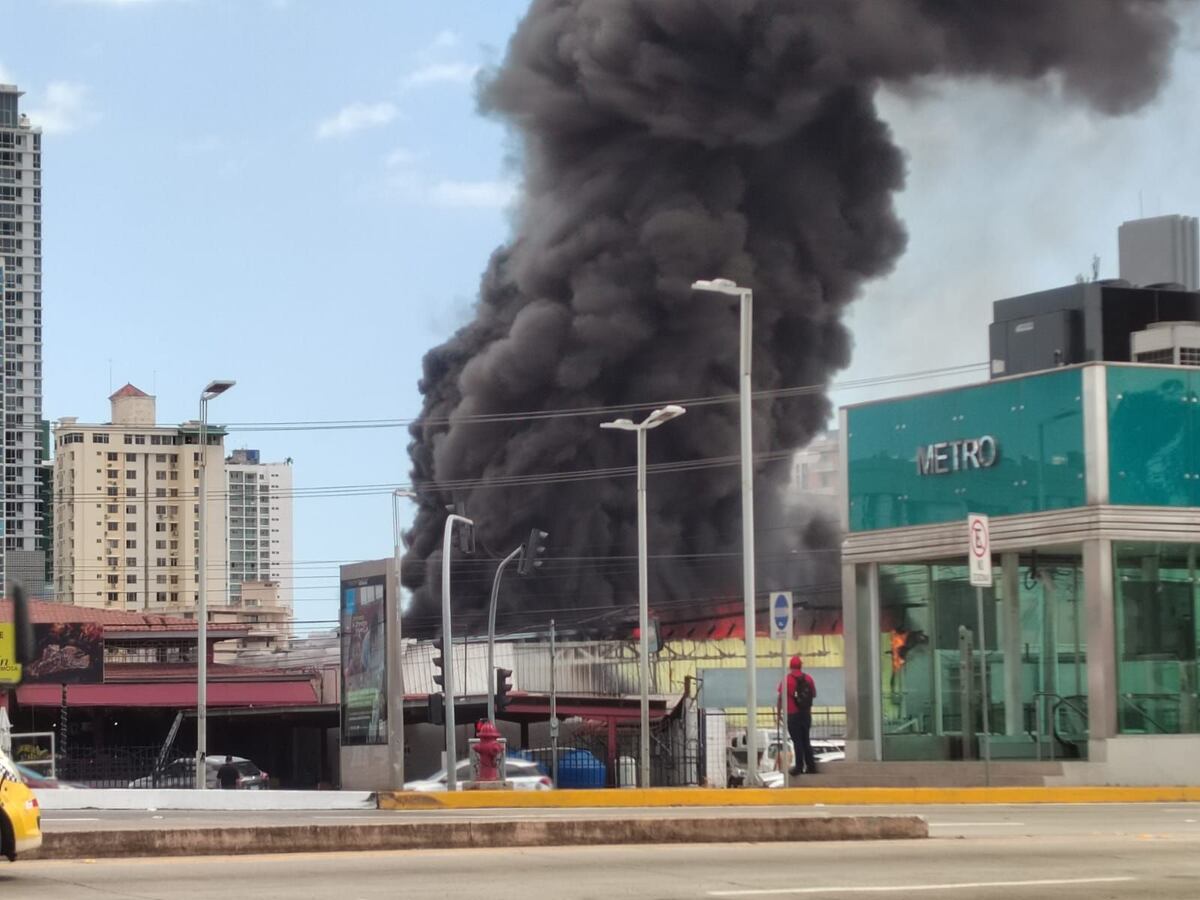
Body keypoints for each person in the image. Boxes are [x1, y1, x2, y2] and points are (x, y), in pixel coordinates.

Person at [776, 655, 817, 777]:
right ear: (801, 666)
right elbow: (813, 694)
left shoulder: (787, 680)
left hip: (793, 714)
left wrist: (778, 714)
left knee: (797, 741)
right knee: (806, 740)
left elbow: (780, 698)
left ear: (790, 666)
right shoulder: (808, 678)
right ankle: (811, 766)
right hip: (806, 714)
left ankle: (799, 766)